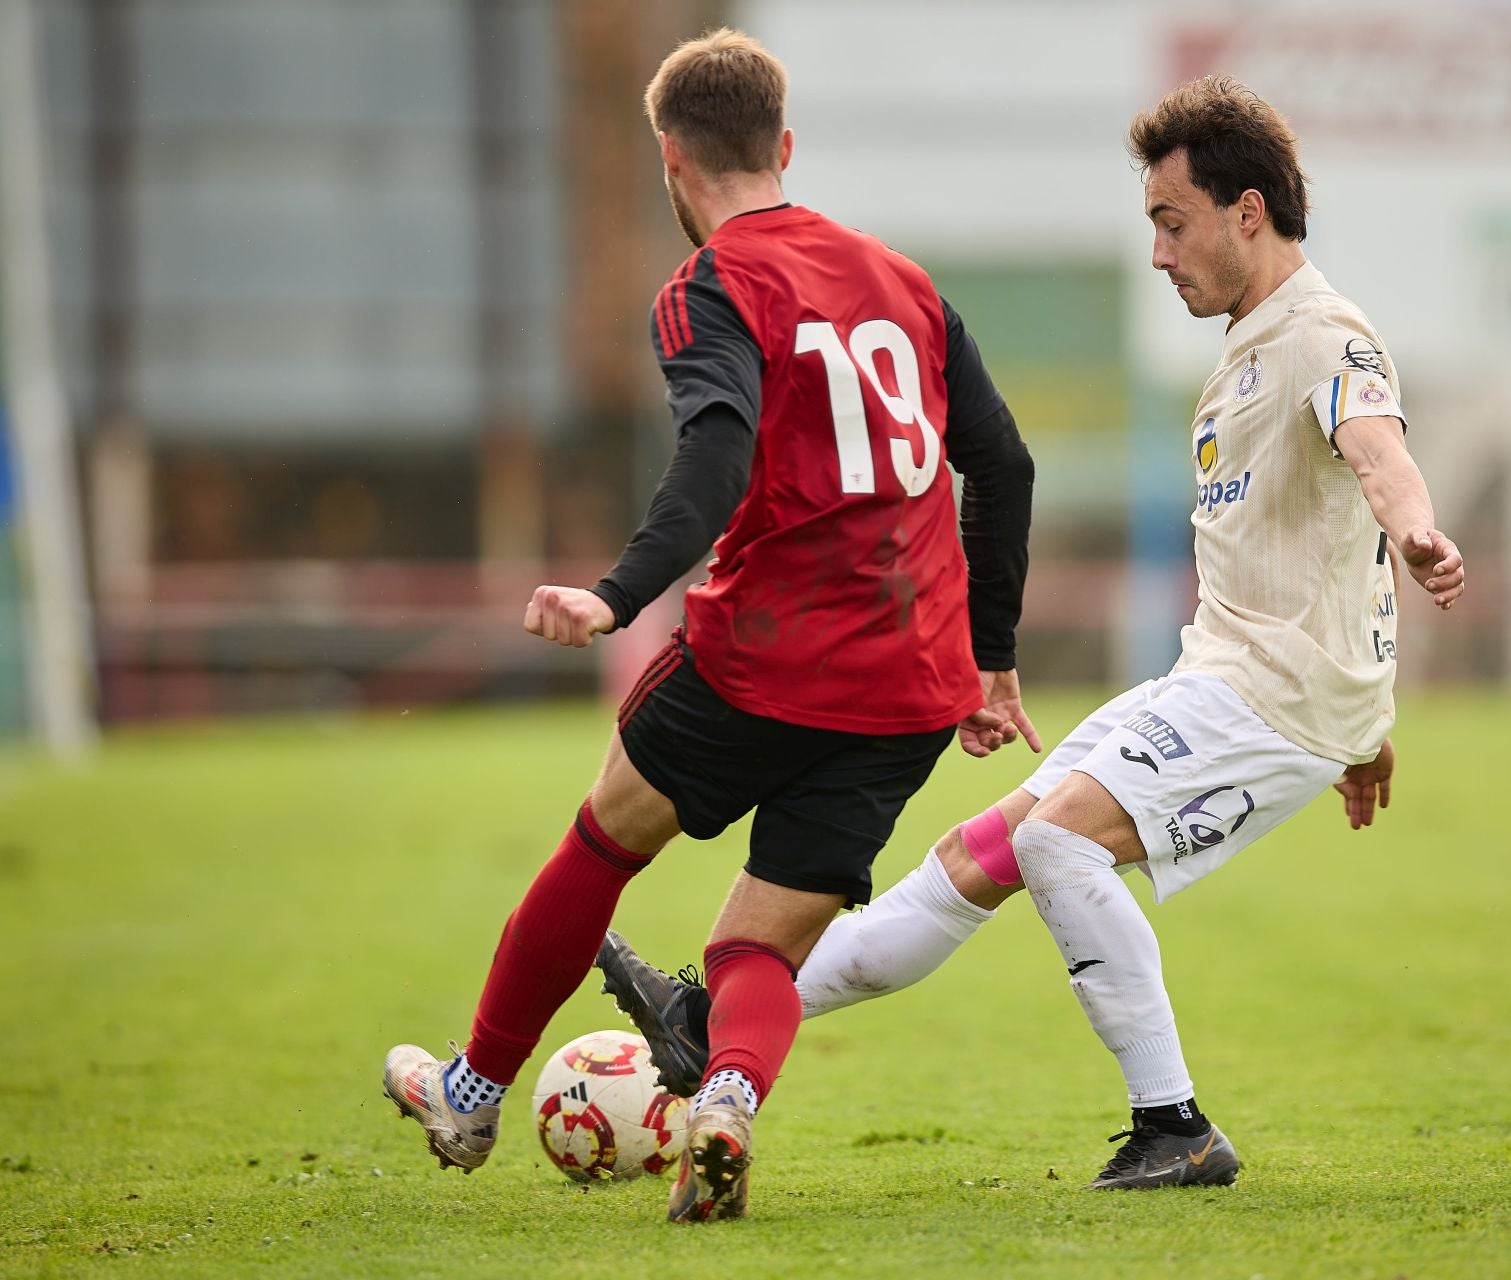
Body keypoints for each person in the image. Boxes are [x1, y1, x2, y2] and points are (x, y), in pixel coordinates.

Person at [600, 74, 1465, 1191]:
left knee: (1058, 840)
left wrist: (1420, 531)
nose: (1158, 253)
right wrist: (1366, 719)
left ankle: (1177, 1126)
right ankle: (714, 1018)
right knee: (978, 856)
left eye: (1172, 220)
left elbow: (1379, 455)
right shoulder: (1250, 348)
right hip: (1232, 679)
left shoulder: (1326, 336)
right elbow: (1312, 552)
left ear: (1248, 212)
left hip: (1268, 701)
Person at [381, 27, 1037, 1224]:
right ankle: (727, 1099)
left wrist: (616, 593)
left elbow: (719, 448)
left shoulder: (713, 283)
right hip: (913, 681)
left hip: (769, 653)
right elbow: (1003, 463)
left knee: (603, 841)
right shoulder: (908, 282)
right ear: (784, 146)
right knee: (755, 948)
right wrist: (992, 659)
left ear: (670, 163)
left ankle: (469, 1091)